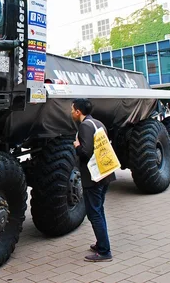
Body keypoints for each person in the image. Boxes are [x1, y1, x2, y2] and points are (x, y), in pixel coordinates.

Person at [72, 98, 115, 262]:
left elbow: (86, 152)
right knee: (99, 210)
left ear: (78, 111)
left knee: (94, 213)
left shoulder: (84, 126)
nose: (71, 112)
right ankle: (101, 243)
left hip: (93, 177)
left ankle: (104, 251)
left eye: (72, 109)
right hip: (105, 174)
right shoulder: (98, 123)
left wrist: (76, 146)